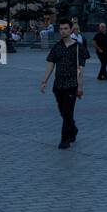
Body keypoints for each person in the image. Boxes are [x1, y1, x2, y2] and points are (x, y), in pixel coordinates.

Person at [40, 18, 86, 149]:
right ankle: (73, 128)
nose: (63, 31)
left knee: (68, 112)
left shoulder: (78, 47)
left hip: (72, 84)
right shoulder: (57, 47)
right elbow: (50, 64)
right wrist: (44, 81)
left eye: (65, 28)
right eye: (61, 29)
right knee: (63, 111)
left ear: (71, 29)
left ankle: (65, 139)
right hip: (58, 85)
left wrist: (80, 86)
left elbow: (80, 69)